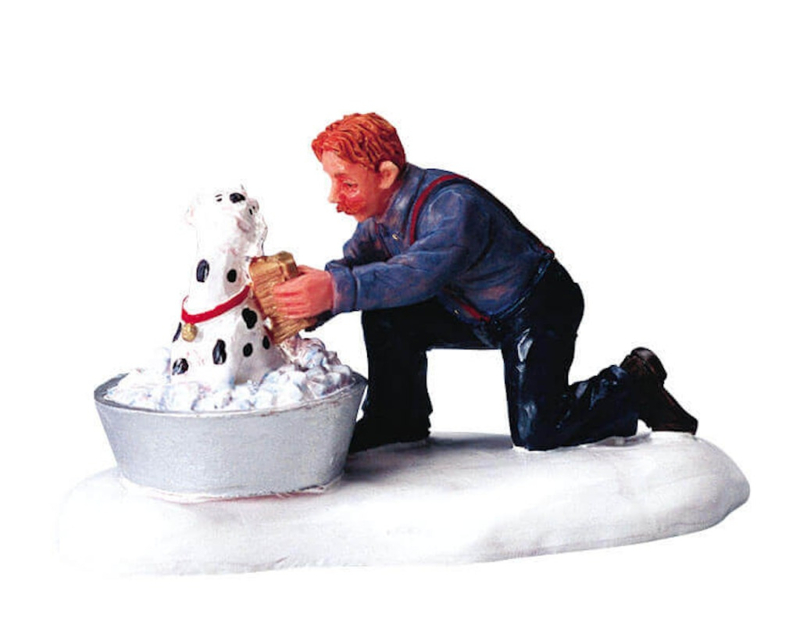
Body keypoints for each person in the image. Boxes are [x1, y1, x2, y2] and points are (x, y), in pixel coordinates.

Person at [273, 113, 697, 452]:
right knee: (387, 317)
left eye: (346, 183)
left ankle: (633, 384)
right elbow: (354, 266)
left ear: (385, 174)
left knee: (538, 431)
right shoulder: (379, 220)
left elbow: (416, 275)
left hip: (534, 308)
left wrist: (335, 290)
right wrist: (305, 305)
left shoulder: (453, 207)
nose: (333, 196)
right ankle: (397, 418)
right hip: (471, 311)